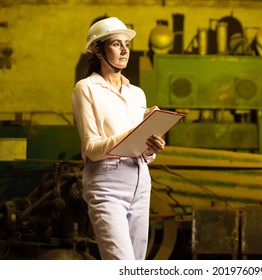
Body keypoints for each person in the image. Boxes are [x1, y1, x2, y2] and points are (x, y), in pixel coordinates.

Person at [72, 17, 165, 260]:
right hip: (106, 185)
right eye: (116, 44)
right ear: (98, 51)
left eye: (126, 44)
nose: (125, 50)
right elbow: (91, 149)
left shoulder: (136, 93)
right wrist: (134, 136)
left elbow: (141, 149)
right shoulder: (86, 89)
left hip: (141, 183)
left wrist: (150, 147)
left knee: (136, 266)